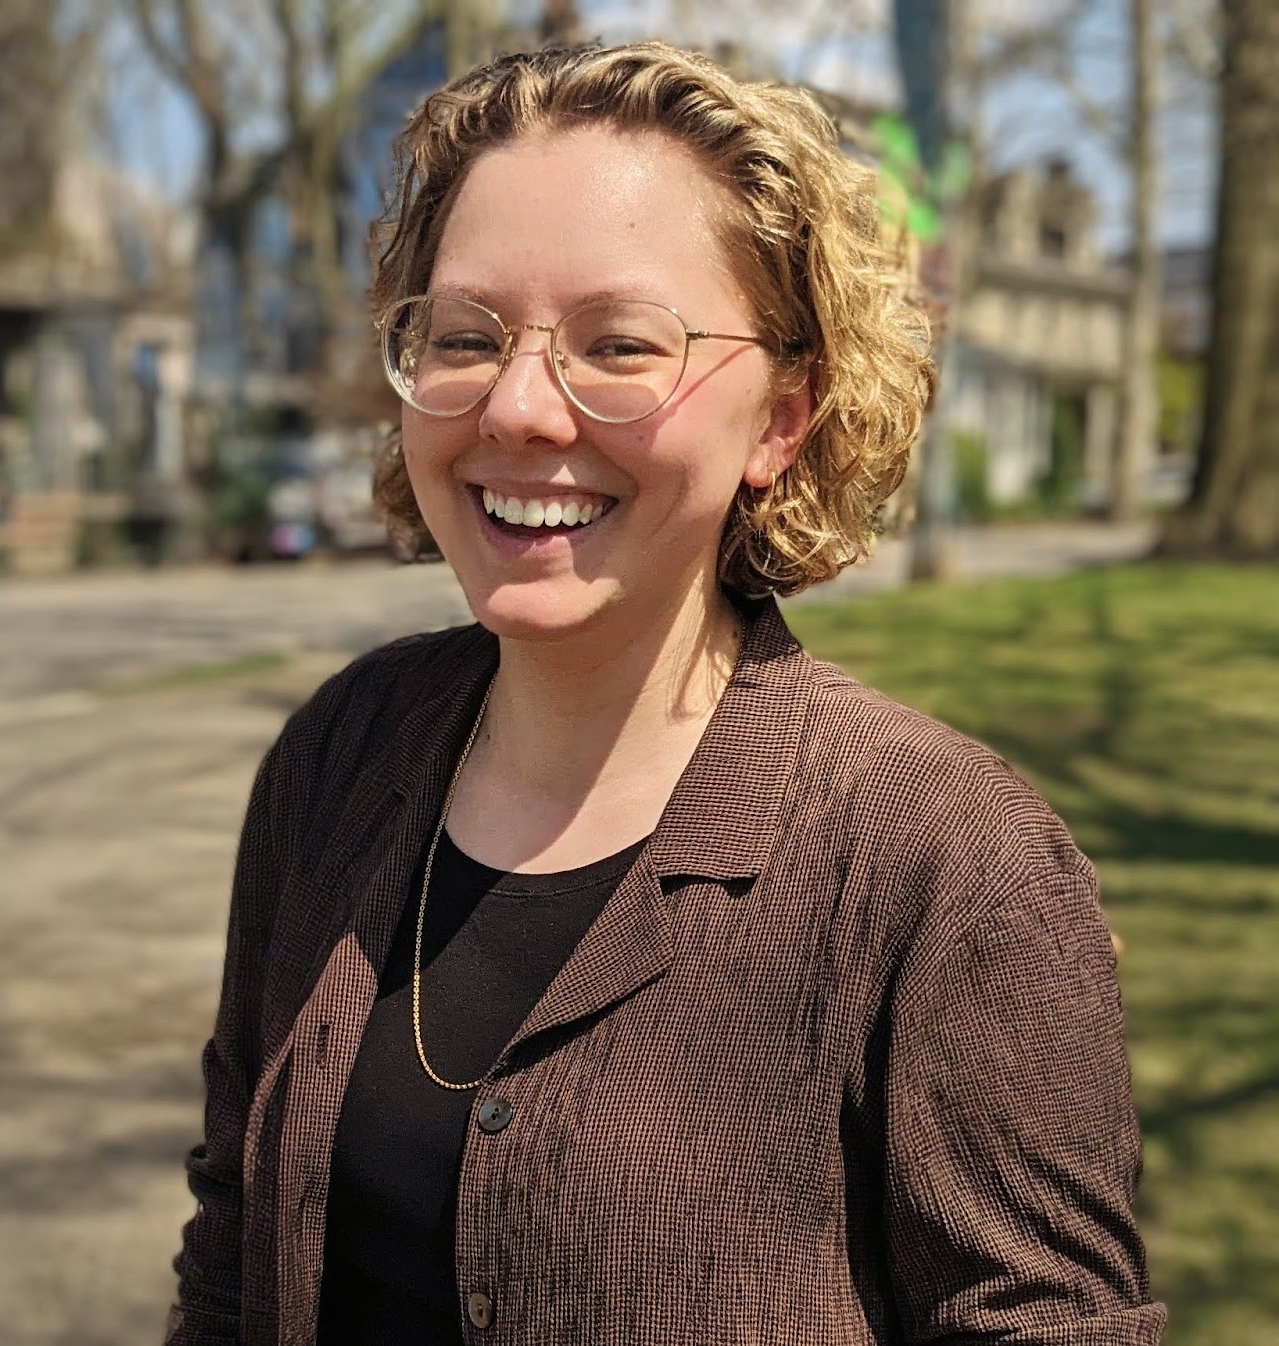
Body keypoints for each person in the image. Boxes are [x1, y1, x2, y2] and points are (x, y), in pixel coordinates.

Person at [165, 41, 1166, 1346]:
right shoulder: (336, 754)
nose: (521, 404)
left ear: (780, 420)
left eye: (619, 343)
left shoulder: (942, 859)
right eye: (466, 335)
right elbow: (234, 1245)